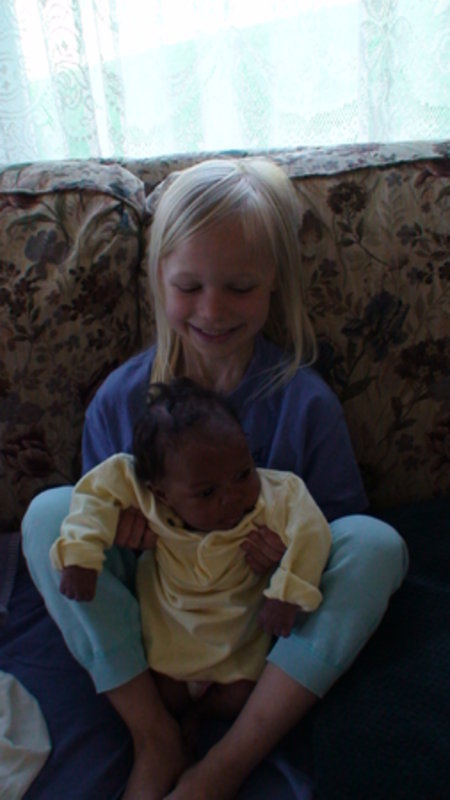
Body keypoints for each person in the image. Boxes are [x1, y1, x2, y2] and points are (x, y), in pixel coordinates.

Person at [21, 156, 408, 800]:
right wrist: (122, 532)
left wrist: (290, 560)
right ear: (158, 280)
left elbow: (340, 533)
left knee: (378, 545)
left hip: (264, 627)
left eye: (239, 287)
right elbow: (94, 512)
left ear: (274, 281)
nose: (213, 310)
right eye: (189, 286)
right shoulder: (122, 399)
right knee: (48, 516)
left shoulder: (304, 403)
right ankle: (153, 735)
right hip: (157, 618)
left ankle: (226, 764)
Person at [50, 378, 332, 726]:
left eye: (243, 473)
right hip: (171, 645)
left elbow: (312, 531)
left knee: (241, 696)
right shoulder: (145, 493)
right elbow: (94, 494)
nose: (232, 497)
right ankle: (162, 730)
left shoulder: (276, 495)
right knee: (165, 694)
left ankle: (203, 718)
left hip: (239, 651)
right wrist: (81, 555)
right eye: (207, 492)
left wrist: (287, 593)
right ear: (162, 493)